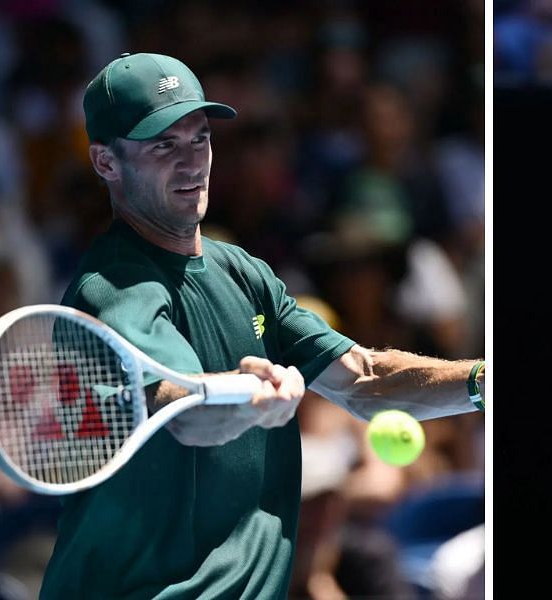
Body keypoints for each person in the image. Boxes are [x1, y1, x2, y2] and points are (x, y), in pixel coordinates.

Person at [38, 52, 486, 599]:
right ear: (106, 163)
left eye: (199, 138)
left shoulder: (243, 272)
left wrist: (481, 382)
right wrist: (252, 403)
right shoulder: (110, 290)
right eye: (163, 145)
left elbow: (365, 379)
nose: (192, 162)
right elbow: (184, 411)